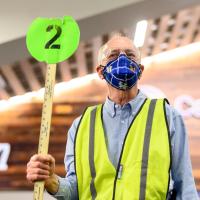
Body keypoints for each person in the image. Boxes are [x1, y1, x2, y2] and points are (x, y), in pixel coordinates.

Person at [26, 34, 199, 199]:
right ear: (100, 72)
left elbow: (185, 188)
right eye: (113, 55)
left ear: (140, 70)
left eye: (130, 55)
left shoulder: (168, 117)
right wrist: (51, 181)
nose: (122, 60)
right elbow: (76, 191)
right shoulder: (81, 126)